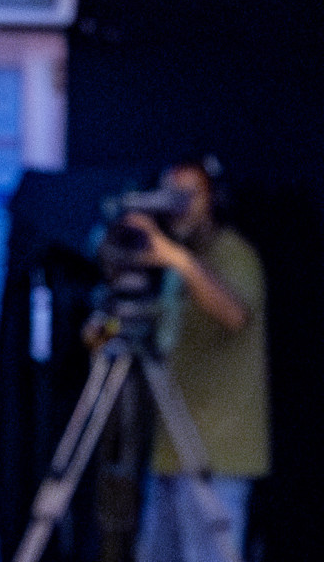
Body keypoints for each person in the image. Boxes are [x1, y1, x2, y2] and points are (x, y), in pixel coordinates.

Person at [124, 159, 269, 562]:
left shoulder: (233, 255)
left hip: (217, 457)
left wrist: (177, 259)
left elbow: (234, 314)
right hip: (171, 449)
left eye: (190, 195)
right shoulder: (174, 267)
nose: (180, 206)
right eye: (172, 196)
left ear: (214, 200)